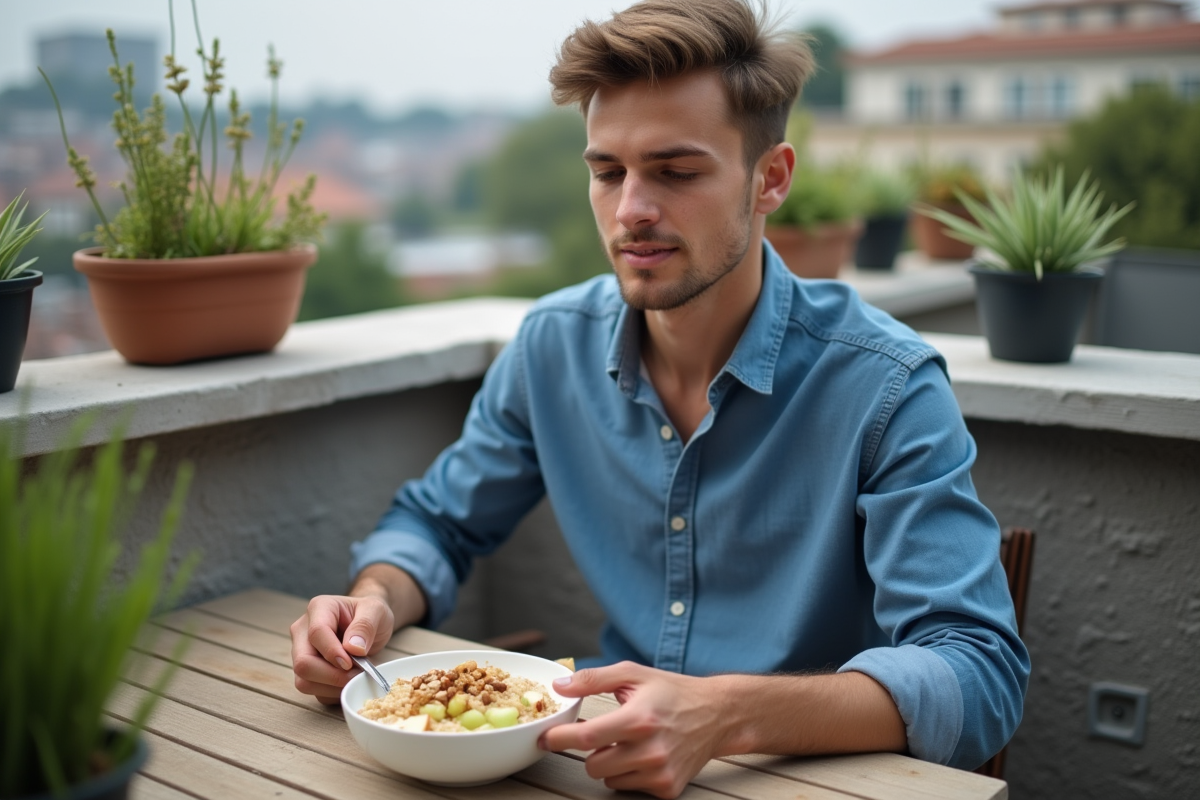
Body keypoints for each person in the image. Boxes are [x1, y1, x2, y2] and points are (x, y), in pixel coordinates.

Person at [290, 1, 1030, 796]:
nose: (631, 210)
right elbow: (437, 524)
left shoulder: (885, 382)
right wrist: (371, 603)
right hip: (614, 771)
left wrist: (724, 714)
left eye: (676, 172)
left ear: (770, 179)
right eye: (608, 172)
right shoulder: (552, 347)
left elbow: (979, 675)